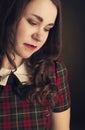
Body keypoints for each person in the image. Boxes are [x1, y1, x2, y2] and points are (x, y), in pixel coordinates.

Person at [0, 0, 71, 130]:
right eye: (33, 23)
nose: (39, 37)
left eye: (47, 29)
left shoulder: (55, 73)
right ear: (9, 14)